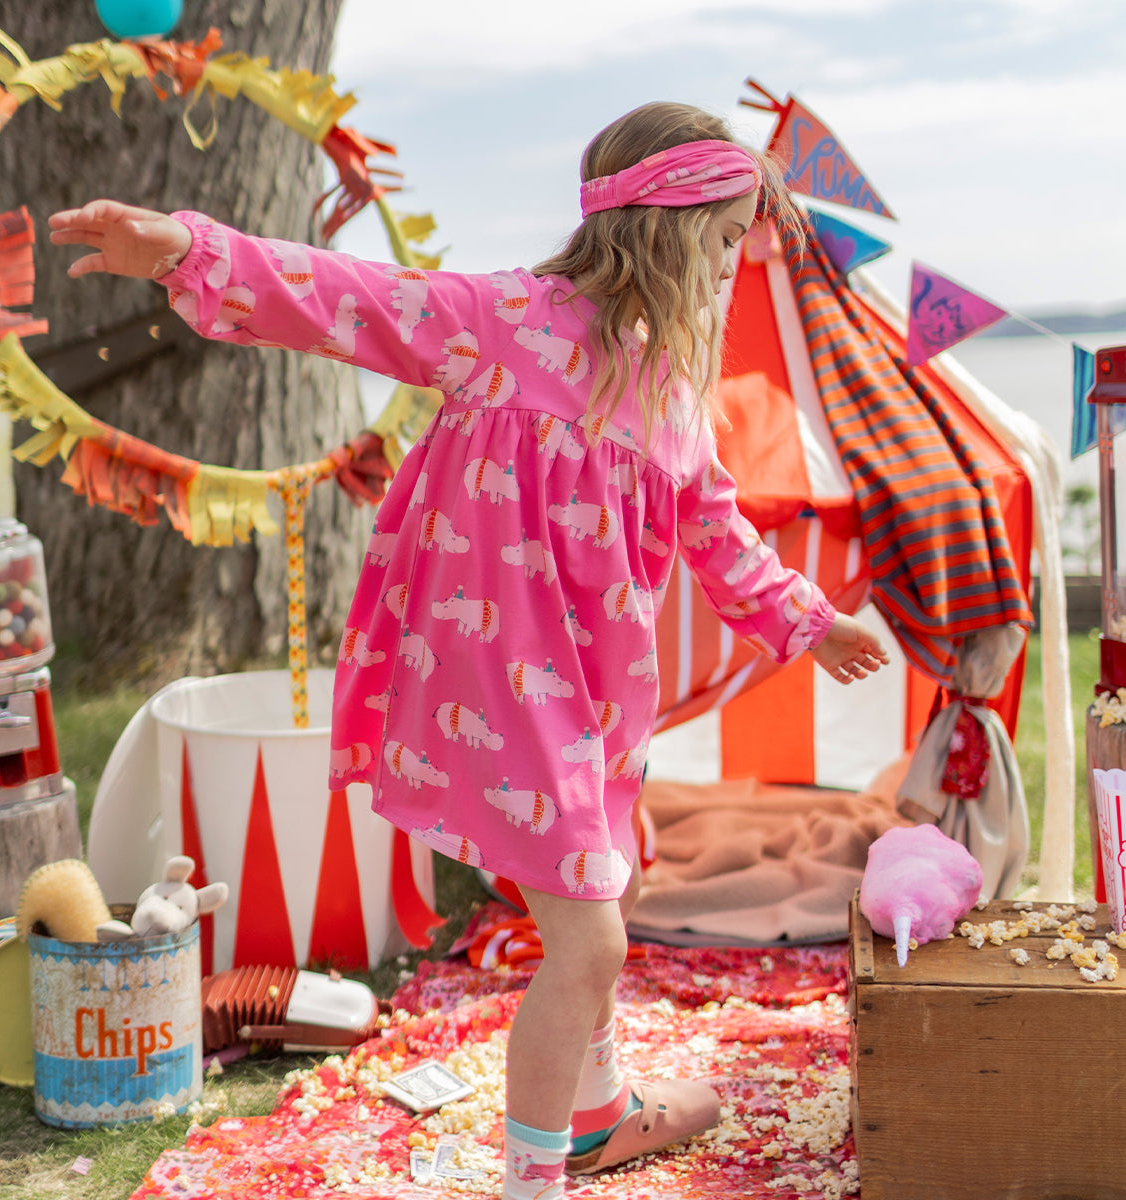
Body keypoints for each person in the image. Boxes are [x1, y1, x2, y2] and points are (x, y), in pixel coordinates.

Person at [50, 100, 888, 1199]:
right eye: (729, 240)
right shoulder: (503, 322)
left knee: (612, 889)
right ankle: (535, 1180)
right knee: (589, 944)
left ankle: (597, 1111)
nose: (736, 270)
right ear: (666, 224)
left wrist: (807, 621)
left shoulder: (673, 392)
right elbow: (349, 299)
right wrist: (186, 248)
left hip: (600, 697)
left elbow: (717, 530)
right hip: (499, 682)